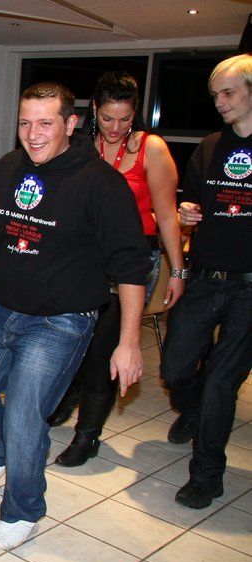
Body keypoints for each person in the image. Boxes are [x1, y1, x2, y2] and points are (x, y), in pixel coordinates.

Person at [0, 82, 150, 551]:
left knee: (24, 415)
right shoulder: (7, 169)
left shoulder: (101, 184)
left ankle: (23, 510)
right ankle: (2, 454)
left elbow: (132, 267)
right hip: (0, 307)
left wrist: (129, 341)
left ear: (70, 124)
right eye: (25, 123)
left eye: (45, 123)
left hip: (61, 320)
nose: (33, 134)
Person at [51, 71, 185, 467]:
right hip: (85, 259)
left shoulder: (151, 149)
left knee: (104, 348)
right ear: (94, 109)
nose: (115, 127)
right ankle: (72, 394)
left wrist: (178, 272)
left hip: (131, 262)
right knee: (74, 336)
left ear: (135, 114)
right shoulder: (81, 147)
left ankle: (88, 434)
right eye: (108, 118)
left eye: (124, 119)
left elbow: (167, 215)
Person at [161, 53, 252, 509]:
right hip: (204, 278)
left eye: (229, 93)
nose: (220, 102)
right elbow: (190, 205)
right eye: (216, 95)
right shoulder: (211, 146)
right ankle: (193, 410)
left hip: (249, 289)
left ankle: (207, 475)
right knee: (174, 368)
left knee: (220, 383)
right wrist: (186, 213)